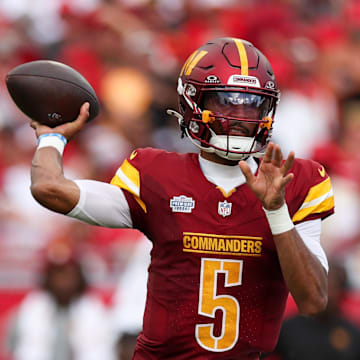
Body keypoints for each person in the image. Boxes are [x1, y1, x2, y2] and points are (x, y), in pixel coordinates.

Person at [29, 38, 334, 359]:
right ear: (193, 104)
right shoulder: (158, 174)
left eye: (252, 104)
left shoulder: (296, 181)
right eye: (227, 101)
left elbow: (313, 301)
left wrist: (276, 211)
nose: (242, 117)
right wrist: (51, 137)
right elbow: (49, 188)